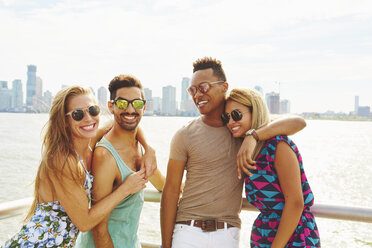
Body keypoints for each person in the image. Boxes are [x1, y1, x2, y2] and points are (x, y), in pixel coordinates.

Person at [160, 57, 307, 248]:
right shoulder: (184, 134)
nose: (197, 94)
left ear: (224, 87)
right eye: (192, 90)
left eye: (203, 87)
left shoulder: (242, 128)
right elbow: (171, 190)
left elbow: (298, 122)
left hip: (227, 234)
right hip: (187, 231)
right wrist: (165, 244)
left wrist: (252, 136)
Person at [1, 86, 149, 248]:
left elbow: (124, 123)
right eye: (78, 115)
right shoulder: (62, 160)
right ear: (65, 121)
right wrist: (125, 189)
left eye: (93, 110)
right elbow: (84, 223)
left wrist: (148, 149)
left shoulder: (89, 144)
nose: (88, 119)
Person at [75, 75, 165, 248]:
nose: (130, 110)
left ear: (144, 107)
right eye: (123, 103)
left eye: (137, 103)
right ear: (111, 106)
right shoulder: (105, 156)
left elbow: (163, 185)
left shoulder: (140, 148)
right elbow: (99, 228)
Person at [223, 88, 320, 247]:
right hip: (264, 235)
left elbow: (295, 203)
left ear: (255, 112)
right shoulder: (247, 151)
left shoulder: (277, 146)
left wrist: (252, 135)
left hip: (294, 238)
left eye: (237, 114)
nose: (231, 122)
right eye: (226, 117)